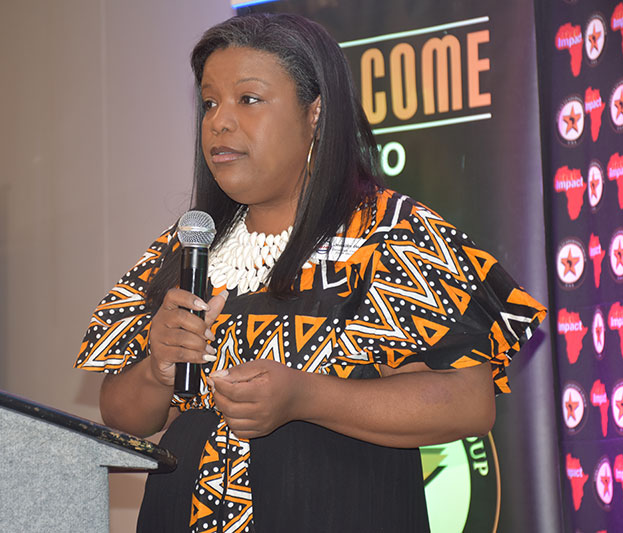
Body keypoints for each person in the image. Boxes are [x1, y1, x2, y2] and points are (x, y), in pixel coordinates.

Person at [75, 13, 545, 533]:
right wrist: (158, 369)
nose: (219, 121)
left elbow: (468, 403)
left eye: (248, 99)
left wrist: (305, 397)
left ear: (315, 111)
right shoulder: (188, 248)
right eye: (210, 103)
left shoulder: (389, 234)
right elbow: (122, 416)